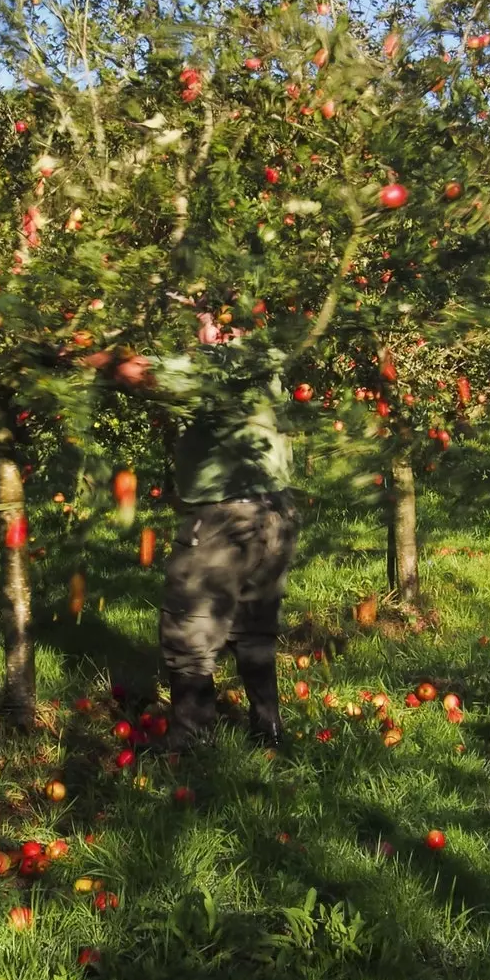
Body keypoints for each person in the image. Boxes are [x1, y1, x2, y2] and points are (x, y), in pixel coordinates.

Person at [90, 304, 300, 747]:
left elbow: (150, 377)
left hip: (227, 518)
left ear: (227, 326)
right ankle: (268, 728)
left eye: (207, 320)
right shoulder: (265, 359)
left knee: (188, 625)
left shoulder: (226, 362)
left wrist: (93, 355)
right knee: (253, 623)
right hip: (274, 515)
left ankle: (192, 739)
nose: (199, 328)